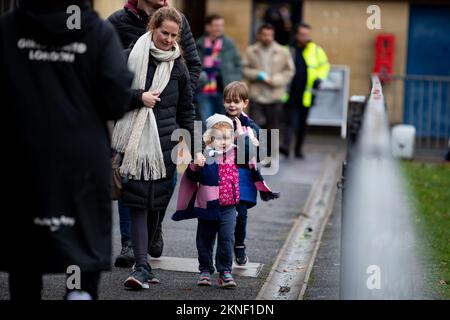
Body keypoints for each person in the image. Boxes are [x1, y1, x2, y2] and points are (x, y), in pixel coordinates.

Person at [0, 0, 133, 300]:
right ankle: (79, 292)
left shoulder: (8, 28)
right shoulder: (97, 32)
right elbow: (116, 98)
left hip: (23, 154)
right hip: (81, 157)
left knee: (27, 249)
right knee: (80, 240)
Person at [108, 0, 201, 267]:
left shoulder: (178, 65)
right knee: (134, 198)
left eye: (174, 36)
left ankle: (151, 233)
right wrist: (139, 97)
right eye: (165, 34)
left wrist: (193, 147)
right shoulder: (128, 50)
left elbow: (187, 108)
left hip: (166, 137)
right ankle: (137, 257)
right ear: (153, 28)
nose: (170, 39)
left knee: (158, 195)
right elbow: (108, 89)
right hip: (133, 135)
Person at [172, 114, 279, 288]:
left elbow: (252, 154)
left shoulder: (236, 152)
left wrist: (243, 136)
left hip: (229, 206)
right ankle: (205, 269)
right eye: (219, 138)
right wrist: (195, 166)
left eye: (228, 137)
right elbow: (192, 175)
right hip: (208, 205)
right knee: (204, 239)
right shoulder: (205, 154)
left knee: (227, 238)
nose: (224, 141)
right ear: (210, 138)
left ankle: (225, 271)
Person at [242, 24, 295, 163]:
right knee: (253, 126)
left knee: (273, 128)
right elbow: (244, 69)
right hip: (257, 95)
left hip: (274, 95)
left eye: (270, 35)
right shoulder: (251, 51)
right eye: (264, 34)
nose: (267, 37)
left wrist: (276, 80)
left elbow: (289, 71)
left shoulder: (282, 51)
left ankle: (269, 157)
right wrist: (257, 75)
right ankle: (255, 155)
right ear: (259, 35)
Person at [222, 81, 261, 265]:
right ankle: (224, 248)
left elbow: (252, 153)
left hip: (243, 177)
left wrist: (240, 135)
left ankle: (239, 245)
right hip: (222, 177)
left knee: (241, 214)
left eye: (236, 101)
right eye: (228, 101)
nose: (232, 105)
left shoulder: (252, 127)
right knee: (222, 215)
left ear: (245, 103)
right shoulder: (218, 123)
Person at [280, 23, 330, 159]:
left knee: (302, 123)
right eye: (302, 34)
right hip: (289, 91)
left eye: (307, 34)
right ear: (296, 34)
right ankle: (286, 147)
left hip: (307, 93)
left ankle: (298, 150)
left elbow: (324, 66)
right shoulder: (288, 49)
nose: (304, 37)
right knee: (288, 121)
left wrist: (319, 78)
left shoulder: (315, 50)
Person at [195, 14, 242, 124]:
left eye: (221, 25)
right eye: (216, 25)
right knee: (205, 122)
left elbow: (238, 65)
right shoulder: (199, 44)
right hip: (203, 91)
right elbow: (193, 67)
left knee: (223, 123)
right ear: (208, 27)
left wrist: (234, 83)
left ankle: (221, 142)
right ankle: (205, 142)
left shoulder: (229, 44)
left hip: (224, 91)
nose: (219, 28)